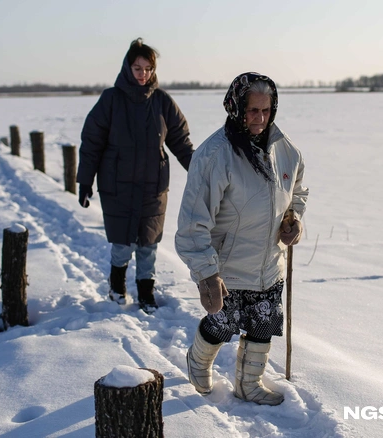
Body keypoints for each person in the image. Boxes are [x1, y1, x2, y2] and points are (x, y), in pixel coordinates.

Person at [175, 72, 308, 405]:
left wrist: (294, 219)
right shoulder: (215, 155)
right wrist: (206, 273)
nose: (260, 119)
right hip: (227, 268)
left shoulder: (285, 150)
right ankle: (197, 362)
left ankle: (249, 384)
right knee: (221, 325)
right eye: (252, 111)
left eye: (266, 111)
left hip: (268, 264)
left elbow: (297, 190)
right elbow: (193, 222)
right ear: (236, 109)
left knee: (264, 325)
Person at [77, 38, 194, 313]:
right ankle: (117, 286)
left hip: (153, 186)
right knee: (121, 245)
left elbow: (180, 141)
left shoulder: (163, 101)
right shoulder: (111, 99)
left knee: (148, 245)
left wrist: (199, 171)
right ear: (127, 68)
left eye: (148, 69)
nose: (143, 74)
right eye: (137, 68)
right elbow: (92, 141)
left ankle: (146, 293)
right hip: (117, 186)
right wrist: (85, 180)